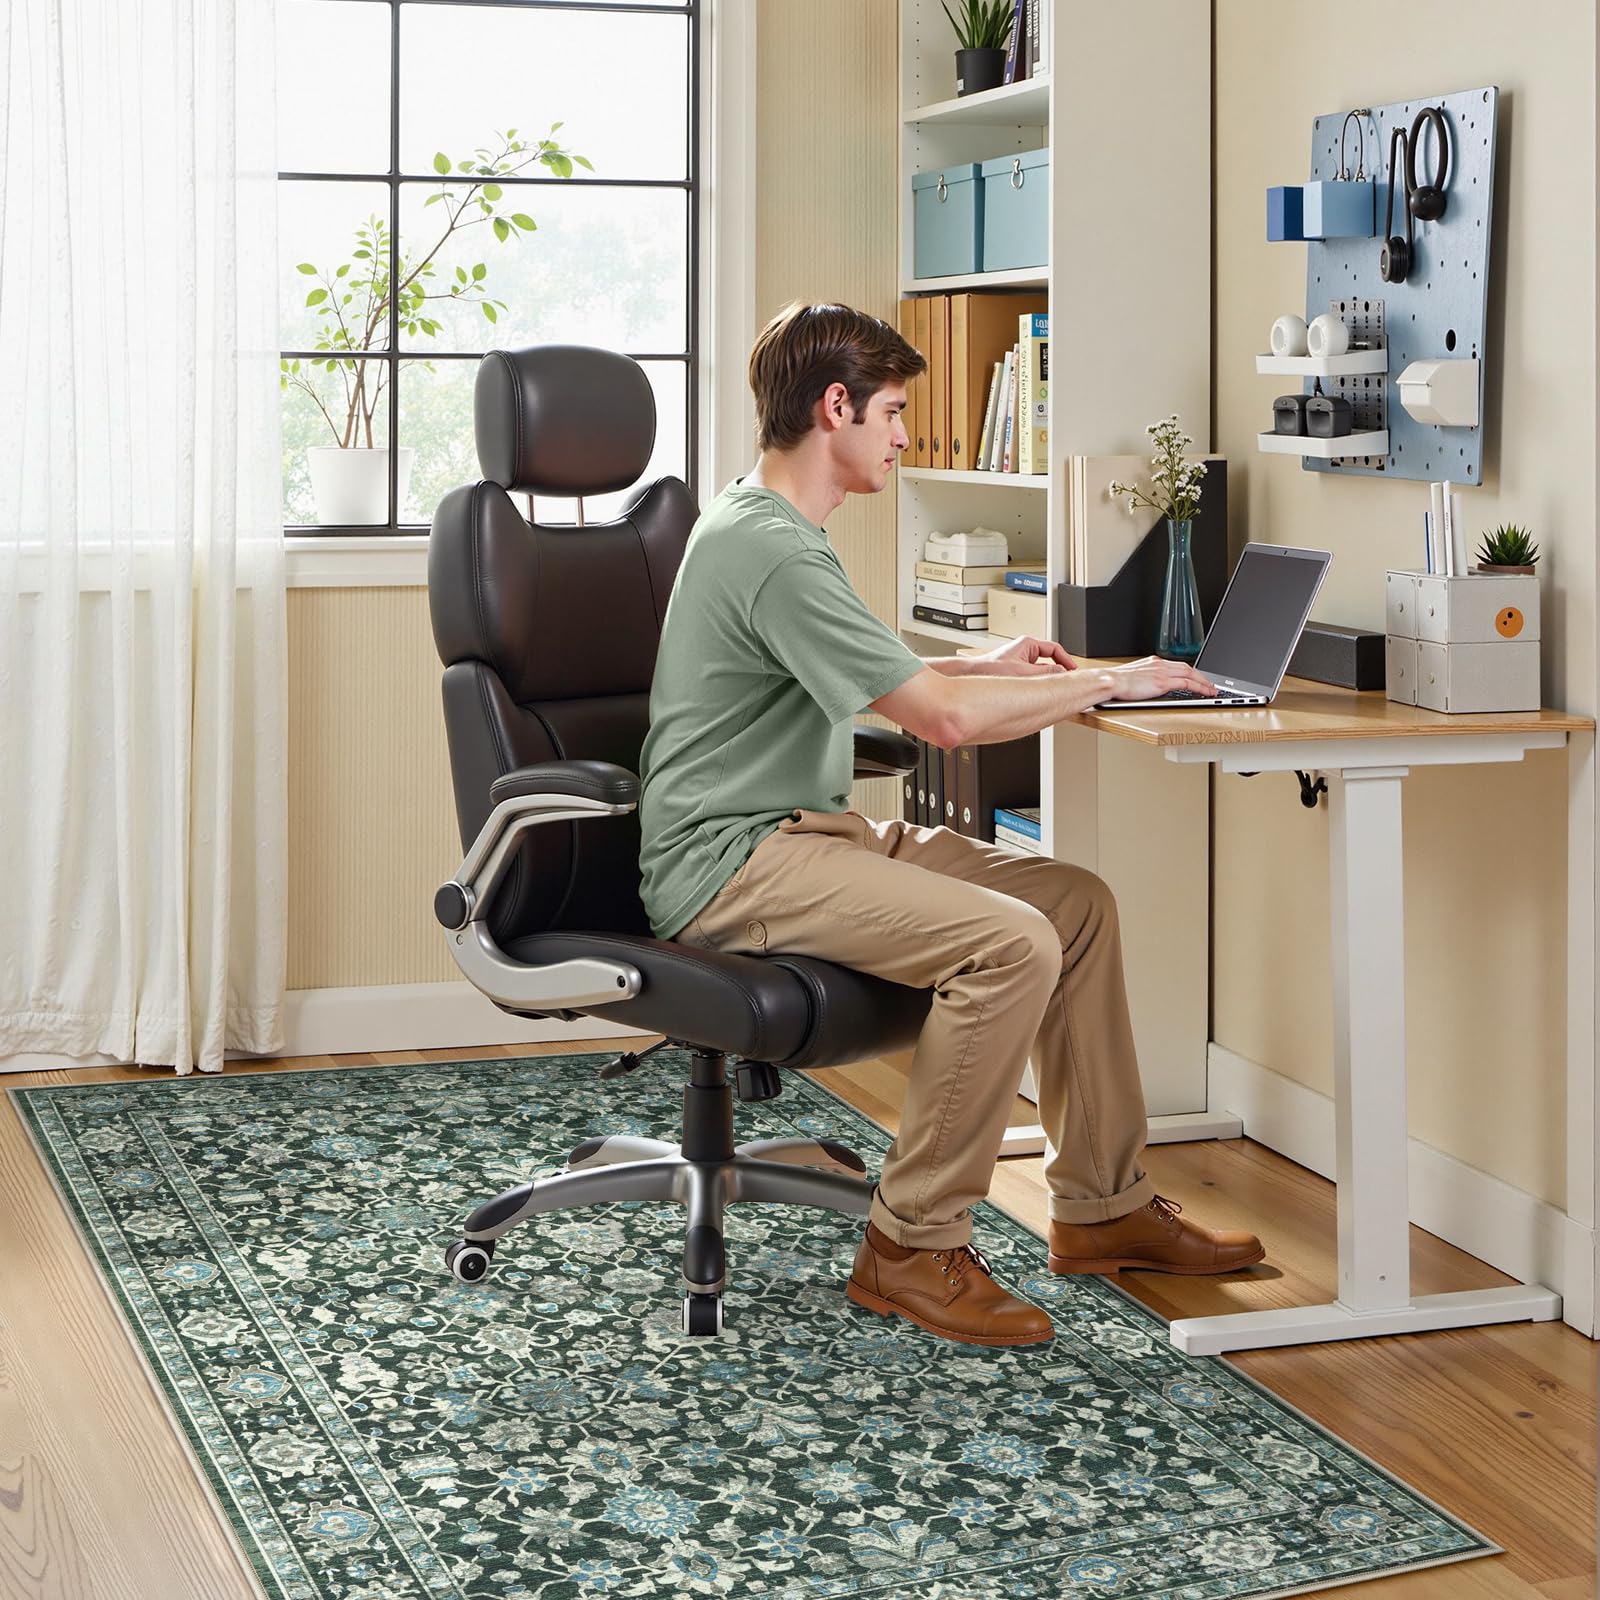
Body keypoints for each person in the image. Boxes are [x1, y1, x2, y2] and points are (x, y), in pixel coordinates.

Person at [636, 302, 1263, 1348]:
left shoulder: (767, 527)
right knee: (1011, 942)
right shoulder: (771, 548)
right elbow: (945, 724)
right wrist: (1113, 680)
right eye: (890, 412)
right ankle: (911, 1244)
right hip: (734, 861)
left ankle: (1102, 1205)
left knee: (1073, 904)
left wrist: (986, 662)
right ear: (834, 408)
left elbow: (898, 677)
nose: (901, 434)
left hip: (807, 835)